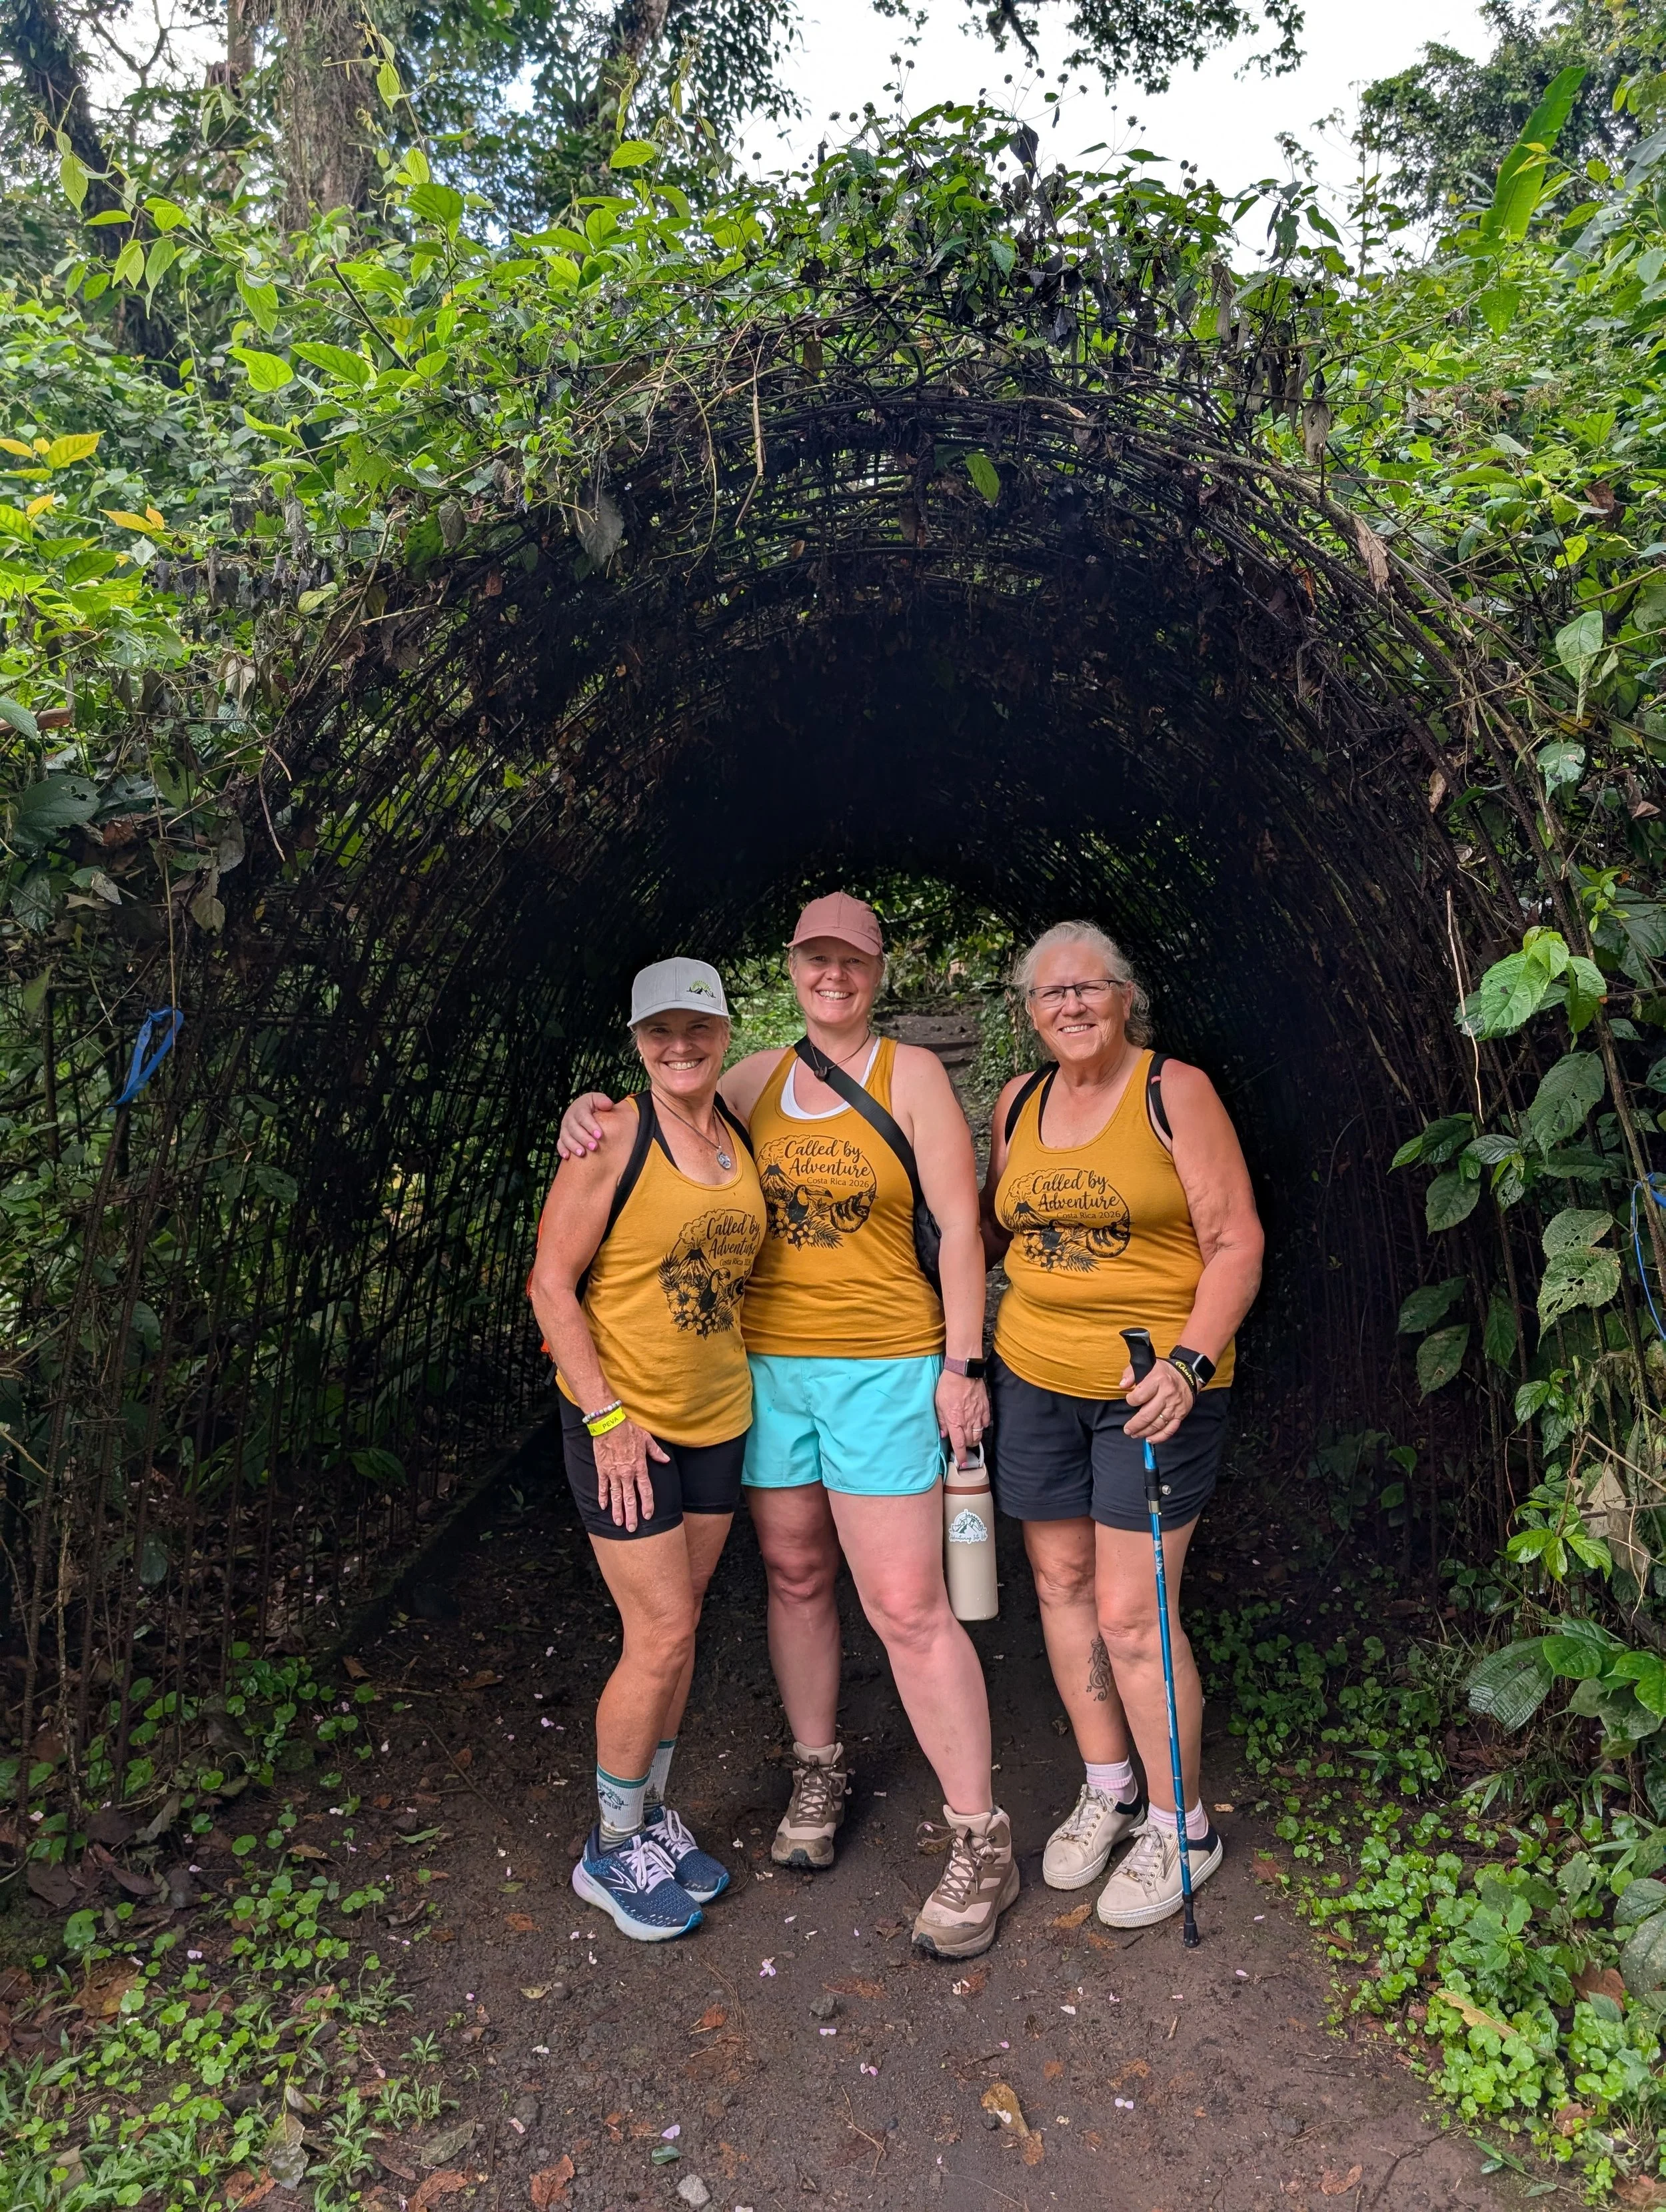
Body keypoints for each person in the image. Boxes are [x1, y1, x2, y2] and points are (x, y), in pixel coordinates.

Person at [558, 893, 1017, 1959]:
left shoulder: (915, 1078)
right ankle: (817, 1773)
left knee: (906, 1601)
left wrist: (962, 1362)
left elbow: (957, 1229)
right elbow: (655, 1122)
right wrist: (587, 1108)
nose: (834, 978)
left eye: (852, 962)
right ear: (792, 968)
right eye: (816, 960)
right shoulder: (751, 1079)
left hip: (883, 1368)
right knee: (797, 1575)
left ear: (877, 970)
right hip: (766, 1370)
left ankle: (975, 1833)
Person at [982, 921, 1263, 1928]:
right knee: (1057, 1585)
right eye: (1050, 994)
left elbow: (1234, 1239)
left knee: (1132, 1613)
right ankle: (1111, 1788)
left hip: (1154, 1390)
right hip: (1034, 1381)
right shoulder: (1019, 1102)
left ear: (1124, 997)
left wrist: (1190, 1363)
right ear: (1029, 1013)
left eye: (1088, 989)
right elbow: (984, 1226)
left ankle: (1182, 1825)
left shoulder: (1170, 1091)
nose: (1070, 1006)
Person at [528, 957, 766, 1941]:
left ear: (723, 1031)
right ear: (636, 1041)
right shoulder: (613, 1136)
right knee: (660, 1632)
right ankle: (611, 1846)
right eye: (660, 1031)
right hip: (627, 1427)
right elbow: (551, 1283)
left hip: (717, 1415)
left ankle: (654, 1816)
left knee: (687, 1621)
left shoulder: (737, 1126)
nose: (681, 1045)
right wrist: (603, 1417)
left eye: (697, 1027)